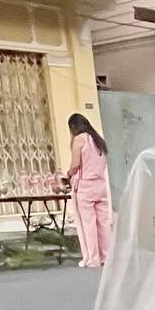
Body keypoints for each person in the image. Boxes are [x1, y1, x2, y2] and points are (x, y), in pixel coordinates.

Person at [65, 112, 110, 269]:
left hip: (85, 186)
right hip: (101, 185)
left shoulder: (79, 139)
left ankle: (92, 258)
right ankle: (106, 256)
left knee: (87, 224)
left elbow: (76, 164)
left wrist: (69, 173)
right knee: (103, 223)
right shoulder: (98, 140)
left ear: (73, 127)